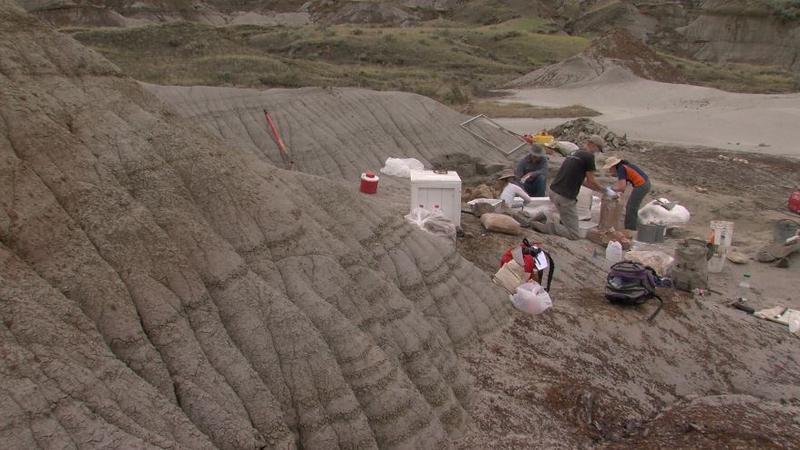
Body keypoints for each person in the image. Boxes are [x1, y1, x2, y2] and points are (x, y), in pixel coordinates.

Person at [532, 134, 612, 240]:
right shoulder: (589, 157)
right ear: (593, 145)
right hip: (565, 197)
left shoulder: (575, 153)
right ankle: (546, 227)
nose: (597, 153)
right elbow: (591, 181)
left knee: (559, 212)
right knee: (574, 234)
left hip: (554, 191)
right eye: (598, 149)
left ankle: (540, 217)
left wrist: (599, 189)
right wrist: (605, 191)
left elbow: (582, 181)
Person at [602, 156, 651, 231]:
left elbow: (622, 187)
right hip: (644, 183)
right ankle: (634, 226)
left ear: (613, 166)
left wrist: (610, 189)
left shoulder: (621, 169)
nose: (610, 170)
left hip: (642, 185)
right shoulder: (625, 166)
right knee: (632, 207)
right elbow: (622, 185)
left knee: (631, 208)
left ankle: (630, 229)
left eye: (610, 168)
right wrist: (618, 192)